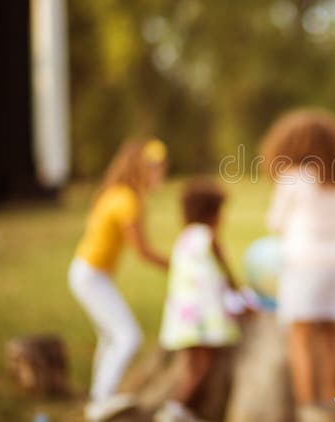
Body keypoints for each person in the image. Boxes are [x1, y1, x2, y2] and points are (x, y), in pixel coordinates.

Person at [261, 109, 335, 422]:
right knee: (329, 337)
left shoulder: (292, 178)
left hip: (304, 262)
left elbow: (274, 223)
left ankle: (308, 407)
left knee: (300, 336)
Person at [68, 138, 170, 422]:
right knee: (128, 336)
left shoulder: (118, 193)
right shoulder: (127, 200)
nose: (160, 174)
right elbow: (142, 251)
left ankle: (99, 396)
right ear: (140, 168)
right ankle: (100, 402)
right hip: (91, 277)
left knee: (109, 337)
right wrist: (178, 266)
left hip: (88, 273)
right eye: (156, 169)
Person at [155, 177, 252, 422]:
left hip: (185, 315)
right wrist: (243, 298)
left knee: (192, 365)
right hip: (203, 316)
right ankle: (175, 409)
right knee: (201, 366)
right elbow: (226, 272)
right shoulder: (207, 236)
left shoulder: (185, 238)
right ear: (212, 213)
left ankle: (182, 409)